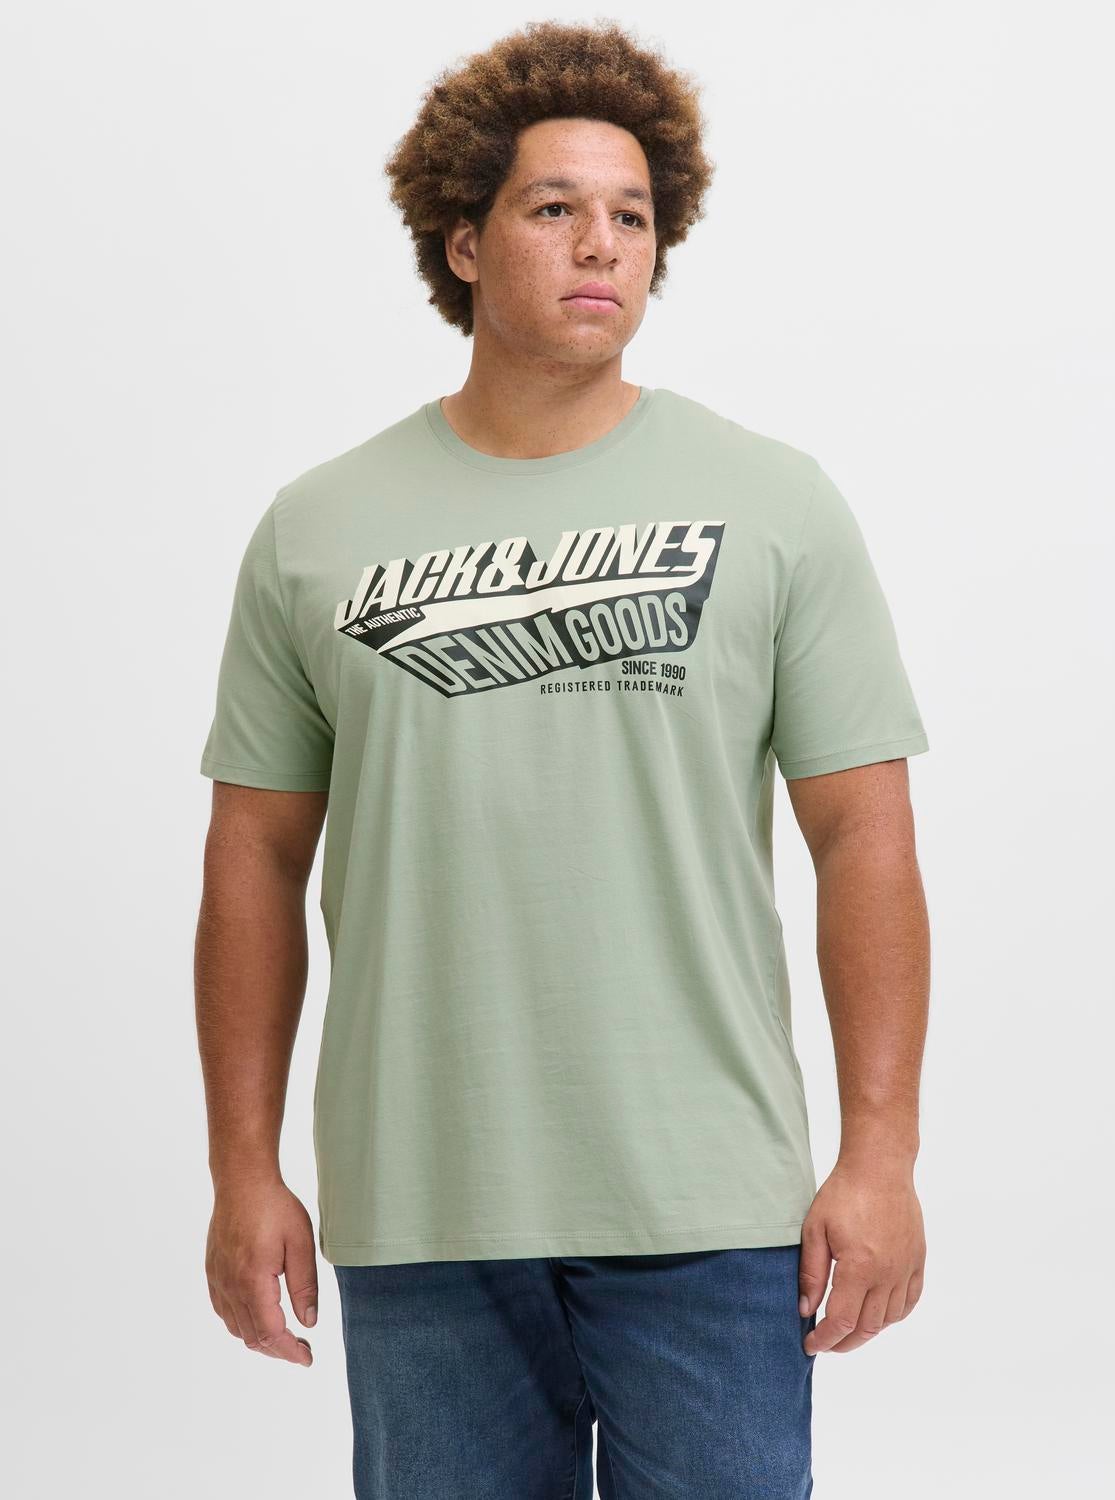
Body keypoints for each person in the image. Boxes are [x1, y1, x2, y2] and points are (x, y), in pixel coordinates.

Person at [194, 19, 931, 1499]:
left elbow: (864, 835)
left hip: (708, 1208)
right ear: (463, 242)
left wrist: (880, 1155)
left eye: (633, 217)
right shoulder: (316, 527)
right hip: (424, 1209)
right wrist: (241, 1168)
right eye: (554, 208)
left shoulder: (771, 504)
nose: (602, 245)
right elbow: (254, 859)